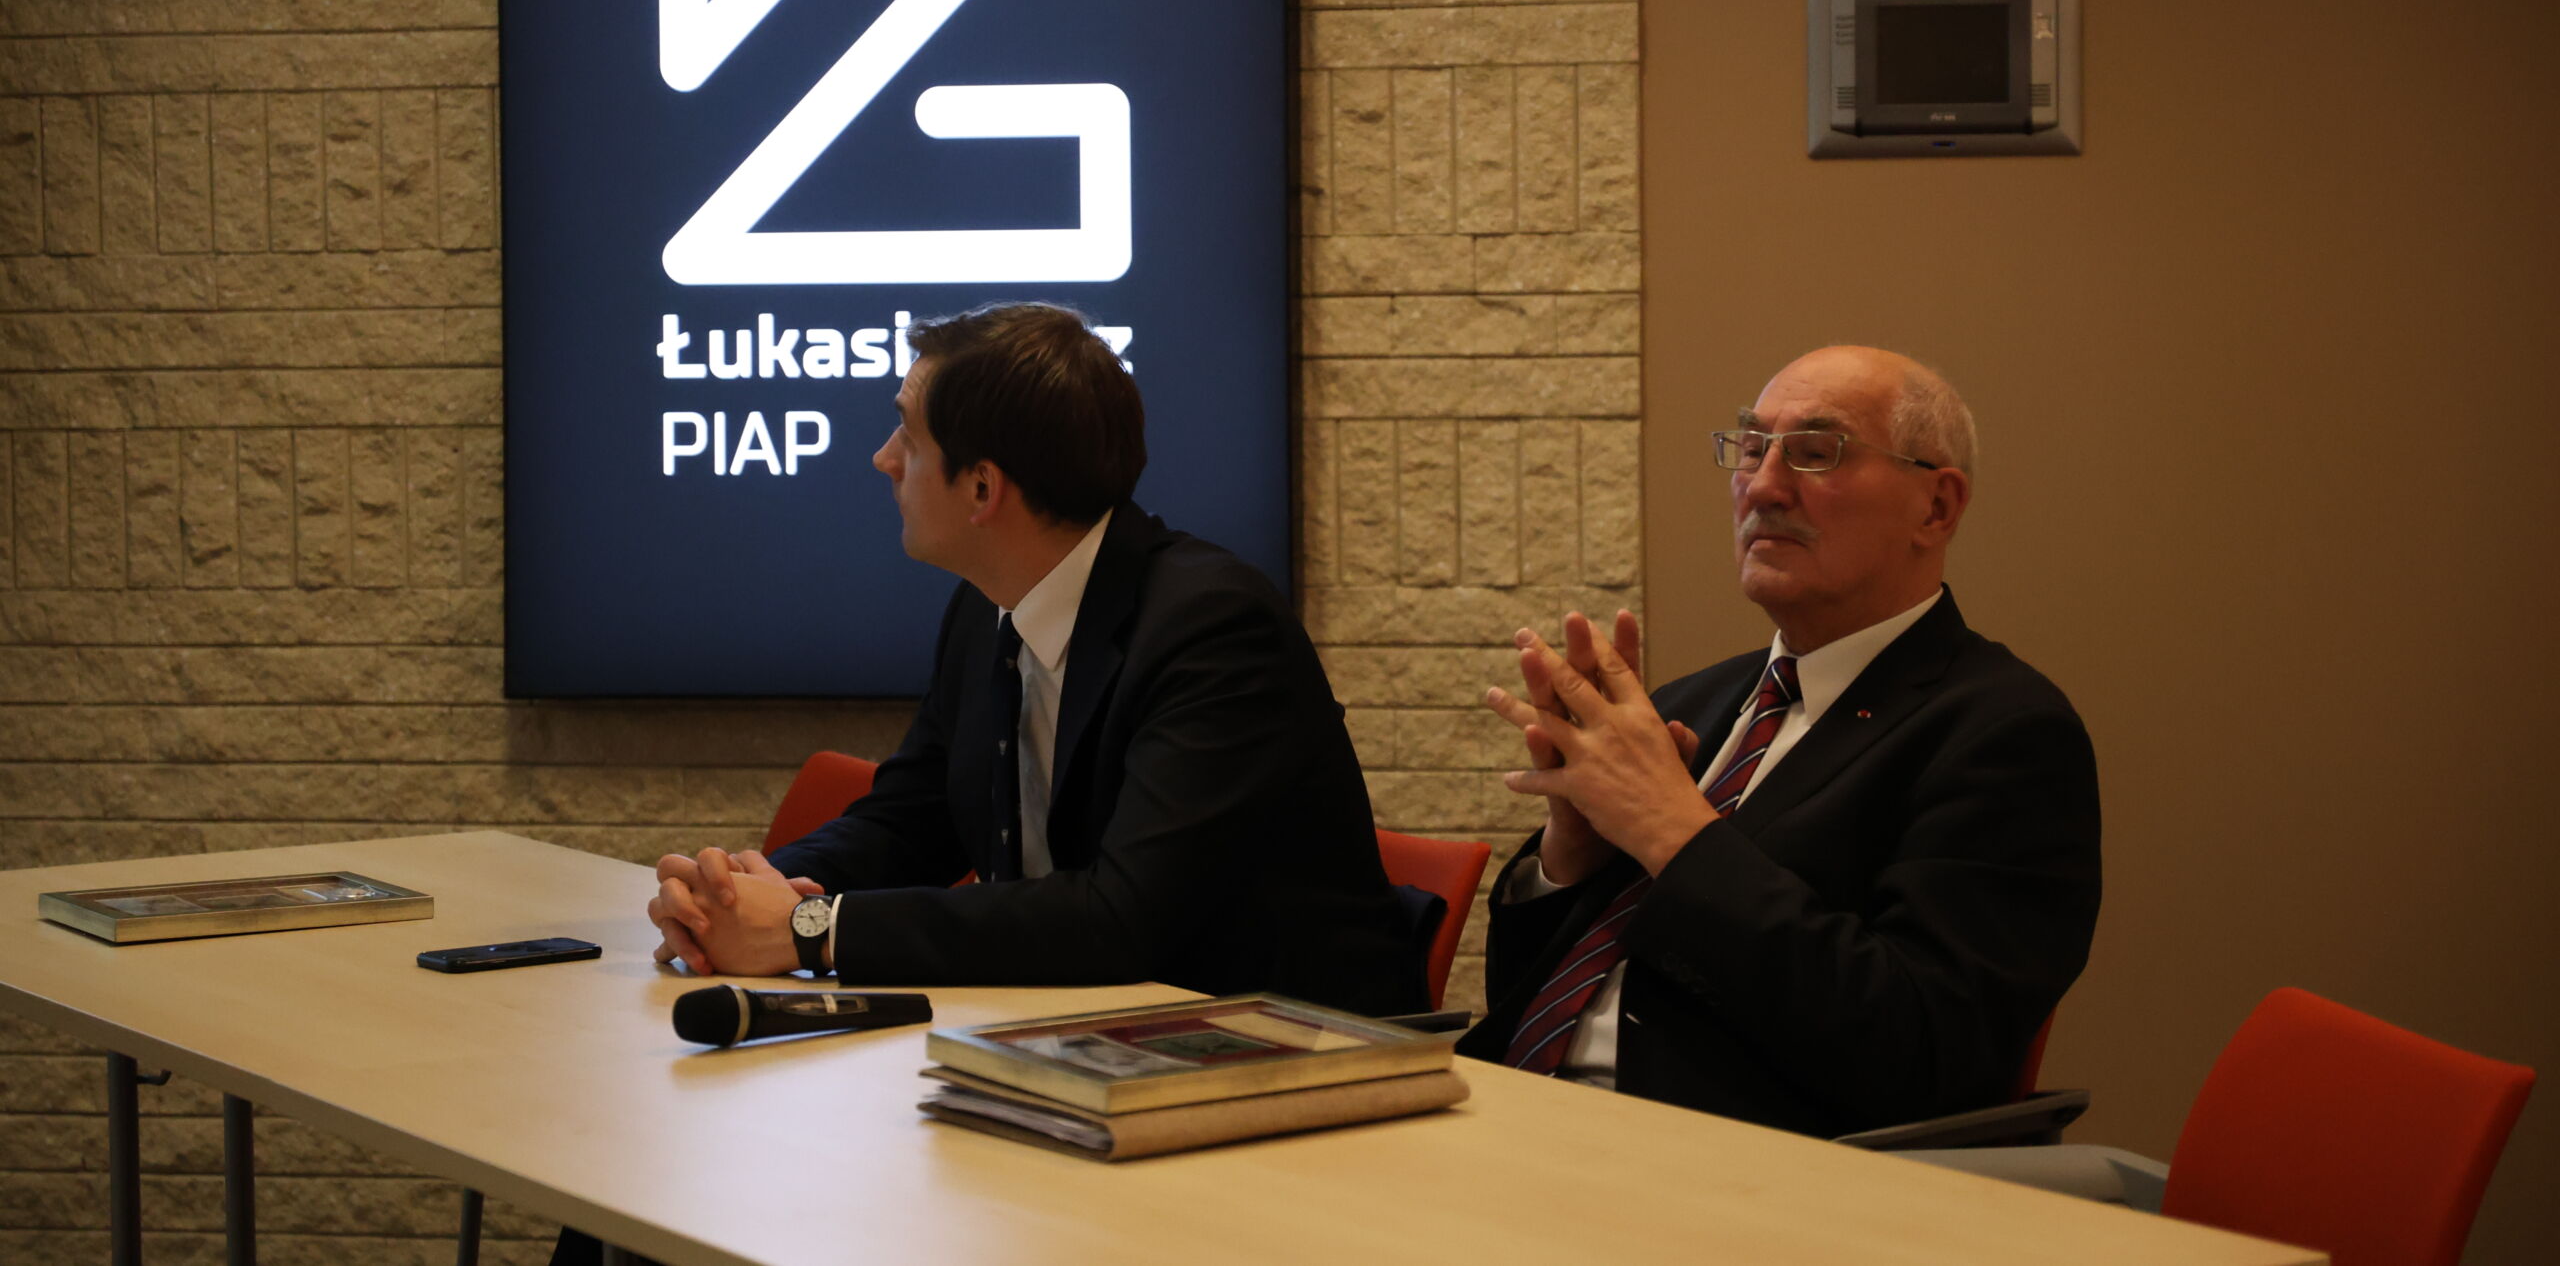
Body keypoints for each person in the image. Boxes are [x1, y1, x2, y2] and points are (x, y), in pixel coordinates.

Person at [646, 302, 1425, 1016]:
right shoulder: (985, 605)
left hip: (1289, 1052)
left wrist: (812, 928)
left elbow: (1121, 918)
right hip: (1087, 1034)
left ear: (982, 488)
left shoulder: (1215, 631)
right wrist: (735, 893)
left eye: (908, 437)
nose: (883, 458)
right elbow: (910, 820)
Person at [1455, 345, 2101, 1138]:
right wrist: (1571, 853)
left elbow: (1921, 1054)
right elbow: (1519, 996)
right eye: (1752, 447)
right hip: (1516, 1120)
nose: (1761, 485)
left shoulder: (2005, 734)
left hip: (1730, 1166)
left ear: (1936, 506)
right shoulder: (1691, 704)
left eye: (1816, 451)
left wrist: (1673, 833)